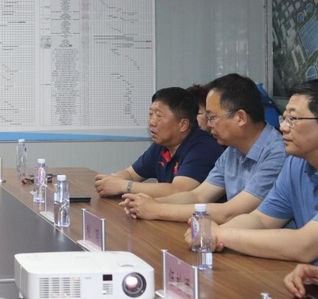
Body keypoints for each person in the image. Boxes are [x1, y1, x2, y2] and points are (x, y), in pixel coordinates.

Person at [122, 73, 285, 224]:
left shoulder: (277, 153)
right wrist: (148, 203)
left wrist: (157, 210)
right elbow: (198, 196)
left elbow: (231, 212)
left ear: (241, 118)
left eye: (212, 117)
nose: (208, 124)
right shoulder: (232, 151)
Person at [185, 80, 318, 263]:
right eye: (284, 118)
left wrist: (219, 234)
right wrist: (212, 233)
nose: (283, 127)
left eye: (293, 119)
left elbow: (304, 245)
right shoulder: (295, 164)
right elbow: (261, 219)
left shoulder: (281, 153)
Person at [95, 87, 224, 198]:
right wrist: (111, 180)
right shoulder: (162, 144)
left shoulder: (203, 148)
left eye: (159, 116)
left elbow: (178, 191)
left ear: (183, 125)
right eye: (150, 114)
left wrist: (124, 186)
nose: (151, 122)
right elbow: (131, 174)